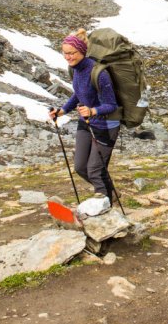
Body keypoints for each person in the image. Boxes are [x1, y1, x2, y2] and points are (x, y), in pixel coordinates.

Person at [48, 29, 120, 204]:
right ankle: (109, 194)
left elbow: (111, 105)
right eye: (65, 53)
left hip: (106, 125)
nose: (68, 57)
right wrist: (63, 111)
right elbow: (78, 94)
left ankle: (104, 205)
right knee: (80, 167)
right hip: (86, 123)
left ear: (82, 51)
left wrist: (93, 111)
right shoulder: (75, 70)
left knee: (95, 170)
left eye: (72, 53)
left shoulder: (99, 73)